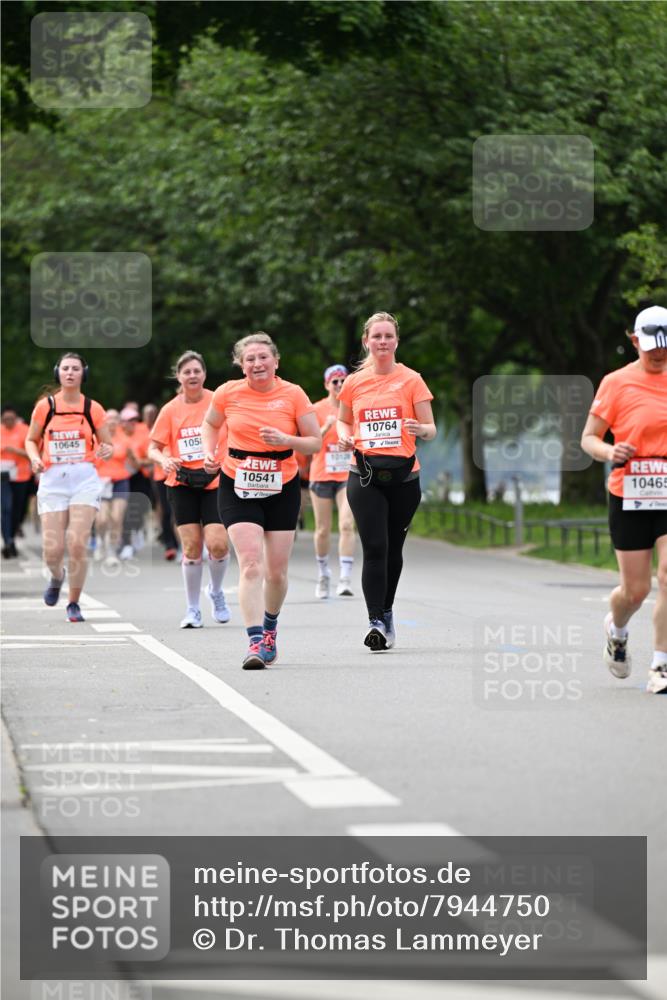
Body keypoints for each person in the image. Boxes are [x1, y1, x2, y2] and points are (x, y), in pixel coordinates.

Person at [202, 332, 321, 669]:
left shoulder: (293, 394)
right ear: (242, 365)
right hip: (237, 482)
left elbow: (315, 442)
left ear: (276, 362)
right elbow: (209, 424)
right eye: (250, 359)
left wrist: (287, 439)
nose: (257, 364)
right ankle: (255, 641)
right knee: (251, 564)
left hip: (282, 484)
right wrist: (209, 452)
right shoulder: (227, 392)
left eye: (263, 357)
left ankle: (270, 628)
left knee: (276, 573)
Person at [581, 304, 667, 695]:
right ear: (635, 341)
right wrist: (610, 452)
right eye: (651, 348)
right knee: (636, 591)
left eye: (664, 348)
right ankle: (617, 630)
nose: (658, 354)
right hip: (629, 492)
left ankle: (660, 665)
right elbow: (589, 438)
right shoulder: (616, 382)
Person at [337, 311, 436, 651]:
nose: (382, 341)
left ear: (396, 341)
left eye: (388, 336)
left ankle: (388, 611)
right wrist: (344, 436)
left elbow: (431, 429)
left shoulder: (412, 380)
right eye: (376, 336)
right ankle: (375, 621)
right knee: (375, 547)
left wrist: (419, 429)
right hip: (364, 474)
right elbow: (343, 421)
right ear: (366, 341)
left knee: (394, 549)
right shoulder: (354, 382)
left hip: (404, 477)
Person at [24, 353, 113, 622]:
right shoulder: (46, 407)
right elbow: (31, 439)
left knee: (77, 543)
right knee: (52, 551)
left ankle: (73, 602)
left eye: (75, 368)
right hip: (53, 479)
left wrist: (106, 450)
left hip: (84, 477)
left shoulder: (93, 408)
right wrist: (35, 458)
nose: (70, 372)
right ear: (58, 373)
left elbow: (107, 444)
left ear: (83, 373)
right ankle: (56, 576)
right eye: (66, 368)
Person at [148, 350, 232, 628]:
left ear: (204, 374)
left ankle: (216, 592)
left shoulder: (218, 401)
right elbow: (153, 448)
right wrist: (164, 460)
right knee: (192, 546)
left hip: (215, 478)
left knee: (218, 544)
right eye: (187, 372)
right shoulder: (170, 410)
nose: (192, 375)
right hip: (181, 482)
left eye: (197, 371)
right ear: (179, 376)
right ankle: (193, 609)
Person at [309, 365, 356, 598]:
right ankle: (323, 573)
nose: (339, 384)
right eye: (334, 381)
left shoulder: (354, 407)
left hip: (347, 475)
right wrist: (327, 426)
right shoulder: (316, 409)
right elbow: (308, 443)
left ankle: (345, 578)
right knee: (322, 530)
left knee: (347, 524)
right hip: (321, 475)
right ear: (327, 384)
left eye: (343, 380)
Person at [94, 408, 132, 565]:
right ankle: (100, 542)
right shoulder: (95, 438)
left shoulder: (125, 439)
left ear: (119, 422)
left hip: (120, 481)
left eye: (115, 419)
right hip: (100, 482)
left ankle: (112, 551)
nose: (112, 422)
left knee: (117, 518)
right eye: (109, 418)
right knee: (102, 519)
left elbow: (133, 460)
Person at [1, 405, 32, 558]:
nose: (9, 422)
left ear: (16, 419)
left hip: (21, 476)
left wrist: (16, 451)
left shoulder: (25, 430)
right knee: (6, 508)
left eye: (11, 419)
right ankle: (8, 542)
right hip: (3, 476)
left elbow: (33, 453)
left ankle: (11, 537)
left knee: (18, 510)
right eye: (5, 419)